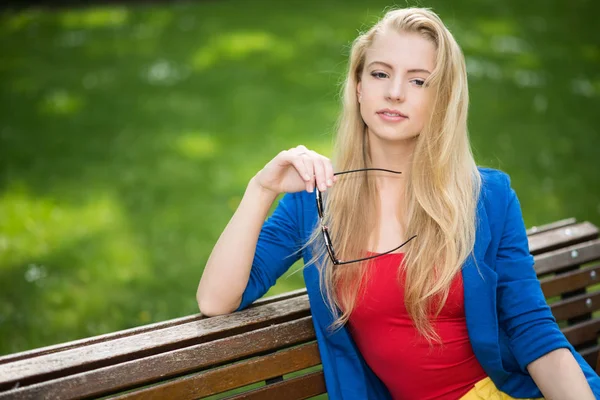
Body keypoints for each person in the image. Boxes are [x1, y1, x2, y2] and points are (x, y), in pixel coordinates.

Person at [196, 6, 600, 400]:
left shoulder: (486, 197)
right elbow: (216, 301)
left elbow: (532, 330)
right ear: (358, 86)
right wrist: (261, 188)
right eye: (380, 73)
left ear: (442, 98)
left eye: (418, 81)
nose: (394, 92)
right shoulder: (316, 202)